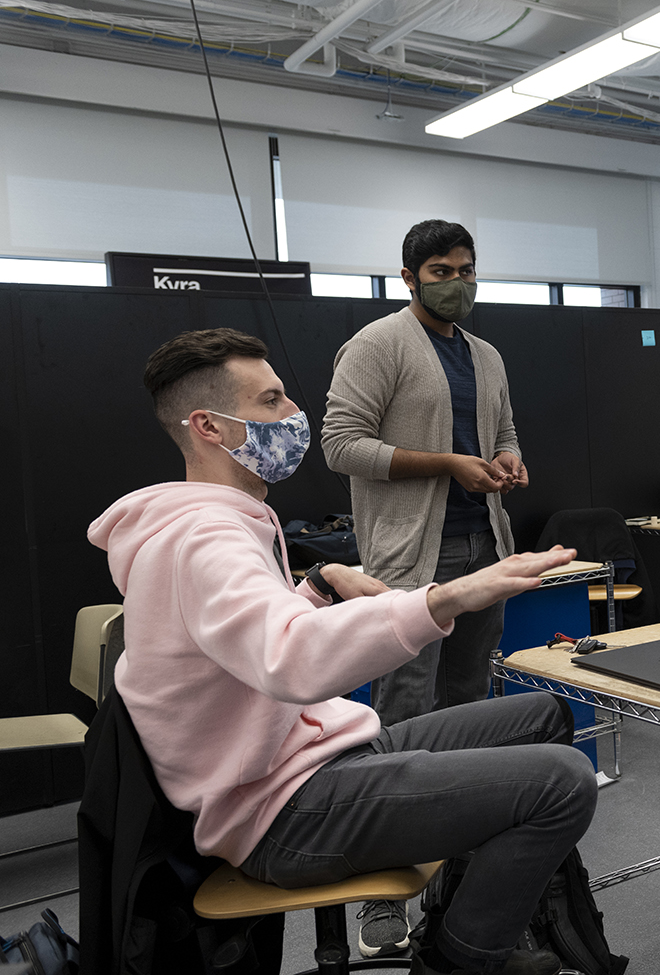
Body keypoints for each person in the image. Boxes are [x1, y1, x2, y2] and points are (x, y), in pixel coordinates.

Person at [89, 328, 594, 975]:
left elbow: (238, 640)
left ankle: (456, 902)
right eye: (271, 401)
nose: (292, 415)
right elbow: (290, 659)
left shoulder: (220, 521)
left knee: (543, 716)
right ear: (209, 427)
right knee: (564, 784)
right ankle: (461, 958)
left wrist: (316, 586)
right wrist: (447, 598)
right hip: (279, 810)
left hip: (310, 755)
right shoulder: (206, 538)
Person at [323, 220, 530, 954]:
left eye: (468, 267)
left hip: (484, 547)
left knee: (467, 707)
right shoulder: (378, 345)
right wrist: (447, 463)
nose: (459, 280)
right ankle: (379, 884)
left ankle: (454, 852)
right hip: (414, 558)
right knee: (403, 710)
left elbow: (502, 432)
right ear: (409, 276)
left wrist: (506, 459)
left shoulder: (487, 354)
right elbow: (341, 445)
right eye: (442, 268)